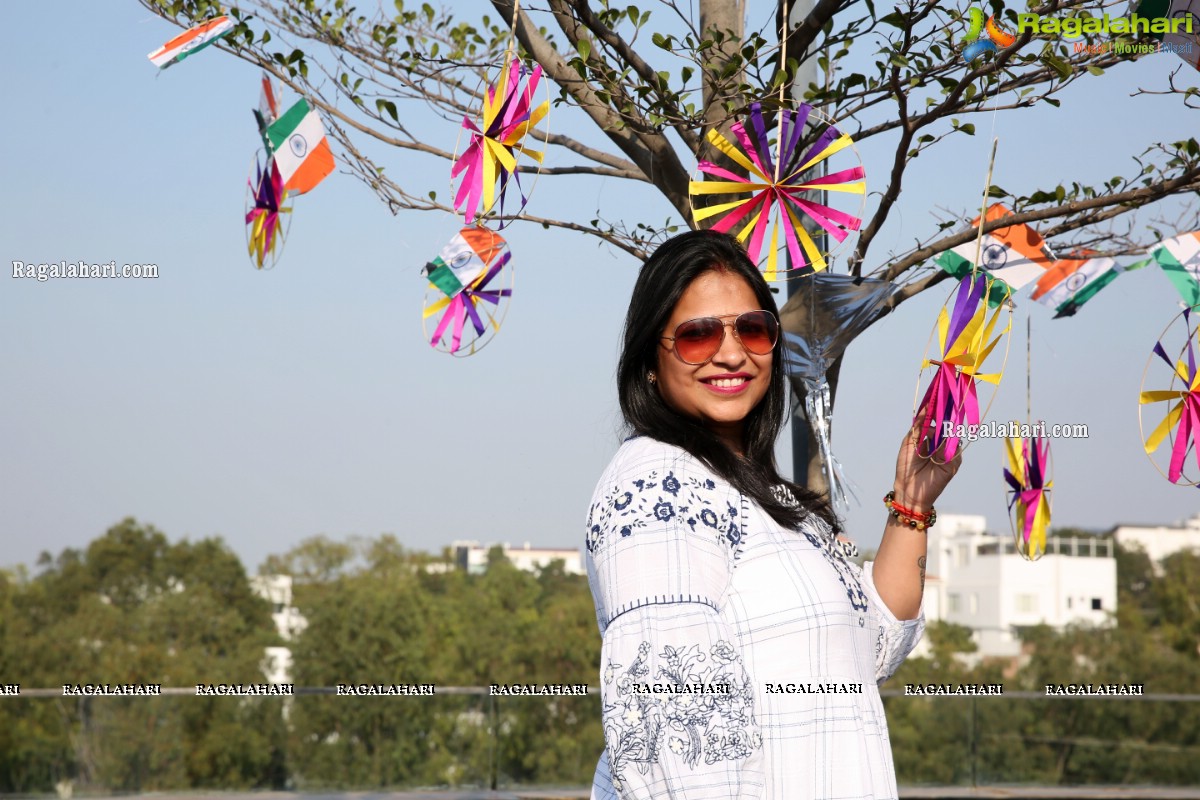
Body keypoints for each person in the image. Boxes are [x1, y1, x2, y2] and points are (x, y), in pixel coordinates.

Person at [584, 230, 960, 799]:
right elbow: (681, 738)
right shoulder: (658, 482)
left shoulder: (773, 500)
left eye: (753, 329)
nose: (732, 353)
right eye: (696, 335)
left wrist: (912, 501)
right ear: (649, 363)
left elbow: (865, 656)